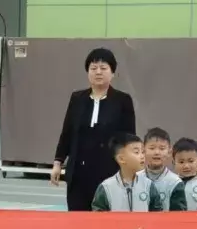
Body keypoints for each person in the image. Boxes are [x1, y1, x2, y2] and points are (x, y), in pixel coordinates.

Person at [51, 48, 137, 211]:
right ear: (87, 72)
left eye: (103, 68)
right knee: (77, 217)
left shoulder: (123, 100)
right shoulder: (77, 98)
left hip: (109, 172)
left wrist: (129, 168)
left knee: (105, 218)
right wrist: (58, 163)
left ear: (112, 73)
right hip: (78, 173)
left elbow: (129, 138)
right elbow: (67, 132)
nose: (98, 72)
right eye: (93, 68)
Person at [92, 133, 163, 212]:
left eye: (143, 152)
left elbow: (158, 215)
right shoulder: (106, 187)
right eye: (137, 152)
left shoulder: (148, 185)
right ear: (121, 159)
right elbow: (98, 217)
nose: (142, 156)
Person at [143, 127, 181, 211]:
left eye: (162, 148)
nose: (157, 152)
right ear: (143, 150)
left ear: (169, 152)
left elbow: (179, 215)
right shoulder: (135, 179)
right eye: (152, 148)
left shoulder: (175, 182)